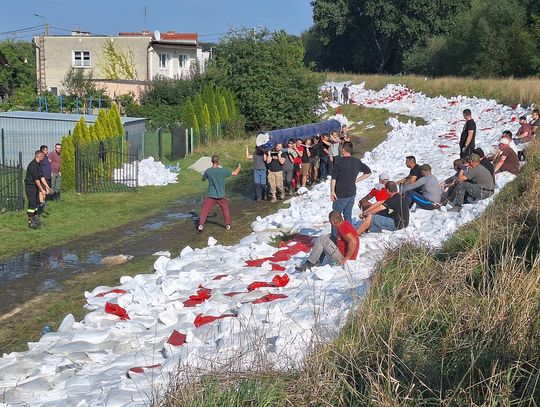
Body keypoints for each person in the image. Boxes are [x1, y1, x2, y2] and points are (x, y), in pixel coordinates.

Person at [331, 141, 371, 225]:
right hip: (352, 193)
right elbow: (368, 172)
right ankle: (348, 234)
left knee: (335, 216)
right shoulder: (357, 161)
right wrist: (356, 180)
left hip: (341, 193)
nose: (341, 149)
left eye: (341, 148)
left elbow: (333, 178)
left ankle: (334, 236)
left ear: (344, 149)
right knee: (347, 215)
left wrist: (332, 191)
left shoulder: (338, 162)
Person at [198, 155, 241, 232]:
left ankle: (201, 225)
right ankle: (228, 225)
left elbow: (203, 179)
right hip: (221, 196)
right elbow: (235, 173)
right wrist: (239, 166)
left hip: (211, 196)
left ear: (211, 161)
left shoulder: (208, 171)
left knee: (205, 210)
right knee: (225, 210)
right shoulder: (223, 171)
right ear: (218, 162)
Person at [25, 150, 50, 229]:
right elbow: (36, 180)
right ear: (38, 156)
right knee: (32, 204)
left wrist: (46, 186)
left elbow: (41, 177)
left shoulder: (38, 164)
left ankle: (35, 221)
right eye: (43, 156)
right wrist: (42, 190)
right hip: (30, 187)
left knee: (36, 203)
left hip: (35, 186)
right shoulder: (32, 166)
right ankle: (30, 222)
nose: (44, 157)